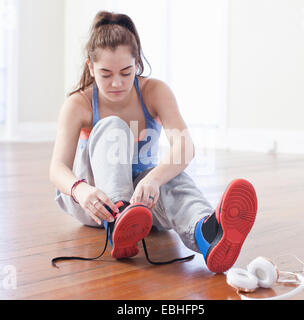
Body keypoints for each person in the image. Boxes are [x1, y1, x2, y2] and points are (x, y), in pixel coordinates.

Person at [49, 11, 258, 273]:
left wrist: (155, 179)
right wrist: (81, 191)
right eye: (105, 74)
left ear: (137, 63)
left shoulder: (154, 92)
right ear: (90, 67)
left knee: (169, 175)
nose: (117, 82)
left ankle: (207, 233)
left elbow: (184, 146)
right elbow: (57, 168)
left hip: (141, 202)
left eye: (126, 72)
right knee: (113, 125)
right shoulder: (78, 103)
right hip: (93, 201)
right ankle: (119, 219)